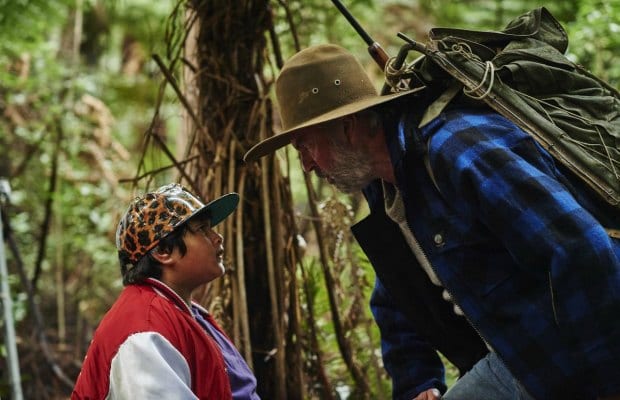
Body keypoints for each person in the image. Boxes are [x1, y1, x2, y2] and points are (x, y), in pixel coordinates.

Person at [243, 43, 620, 400]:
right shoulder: (385, 188)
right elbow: (397, 294)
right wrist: (418, 381)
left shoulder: (458, 150)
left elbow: (580, 249)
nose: (307, 165)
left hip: (579, 354)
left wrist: (608, 383)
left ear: (347, 127)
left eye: (306, 146)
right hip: (521, 359)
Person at [72, 183, 260, 400]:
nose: (217, 237)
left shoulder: (186, 312)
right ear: (163, 251)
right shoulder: (144, 334)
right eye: (202, 229)